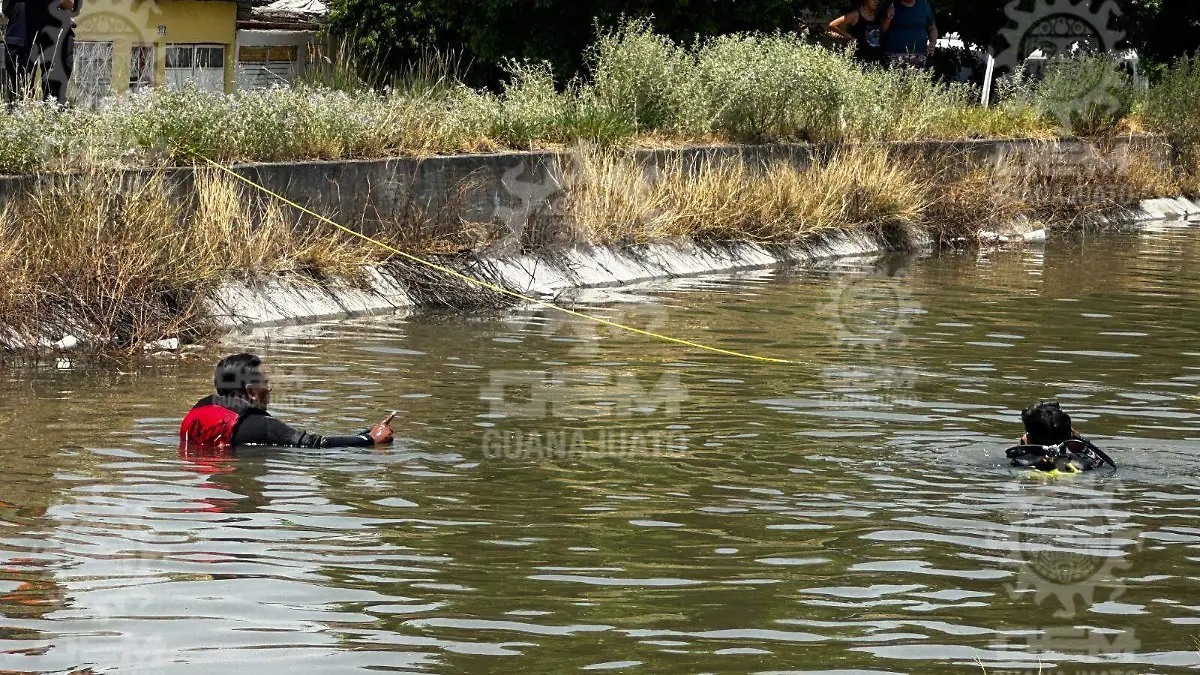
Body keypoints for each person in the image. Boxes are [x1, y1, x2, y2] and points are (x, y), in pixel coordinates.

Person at [180, 353, 396, 450]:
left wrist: (363, 432)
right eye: (265, 382)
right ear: (251, 391)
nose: (270, 387)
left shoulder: (200, 408)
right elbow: (315, 444)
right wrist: (369, 440)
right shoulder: (261, 425)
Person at [1006, 401, 1115, 473]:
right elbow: (1107, 464)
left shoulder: (1018, 464)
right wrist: (1080, 445)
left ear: (1027, 438)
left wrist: (1022, 447)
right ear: (1070, 439)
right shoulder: (1085, 465)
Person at [21, 0, 74, 104]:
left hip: (57, 31)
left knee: (55, 73)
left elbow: (70, 5)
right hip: (31, 25)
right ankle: (26, 105)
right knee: (26, 71)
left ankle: (52, 107)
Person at [828, 0, 891, 66]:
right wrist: (848, 36)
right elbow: (833, 25)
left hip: (875, 58)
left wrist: (889, 17)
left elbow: (883, 30)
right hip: (859, 58)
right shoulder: (856, 14)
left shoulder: (876, 14)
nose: (876, 1)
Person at [881, 0, 938, 69]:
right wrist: (888, 17)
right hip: (893, 55)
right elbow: (882, 30)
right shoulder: (891, 4)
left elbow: (932, 28)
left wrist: (933, 42)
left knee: (916, 79)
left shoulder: (923, 5)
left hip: (919, 55)